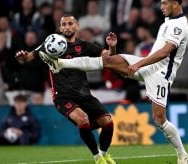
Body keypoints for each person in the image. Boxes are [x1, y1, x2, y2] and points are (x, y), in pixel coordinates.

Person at [39, 0, 188, 164]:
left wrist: (139, 64)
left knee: (159, 120)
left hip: (160, 75)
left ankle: (182, 154)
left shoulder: (179, 25)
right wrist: (134, 60)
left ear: (175, 3)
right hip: (146, 65)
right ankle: (60, 63)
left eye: (164, 3)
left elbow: (166, 51)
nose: (161, 6)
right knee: (108, 59)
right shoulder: (167, 21)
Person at [15, 14, 116, 164]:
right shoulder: (49, 44)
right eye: (64, 24)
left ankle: (104, 154)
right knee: (83, 120)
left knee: (108, 123)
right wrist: (22, 56)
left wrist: (112, 46)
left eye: (70, 24)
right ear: (60, 28)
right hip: (63, 96)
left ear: (77, 26)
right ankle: (97, 158)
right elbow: (29, 57)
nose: (67, 27)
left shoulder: (85, 45)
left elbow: (108, 57)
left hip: (84, 95)